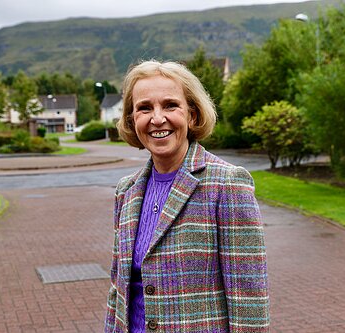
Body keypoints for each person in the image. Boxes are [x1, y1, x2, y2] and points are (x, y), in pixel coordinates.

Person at [104, 60, 269, 333]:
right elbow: (118, 289)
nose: (157, 118)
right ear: (133, 120)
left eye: (170, 105)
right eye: (145, 108)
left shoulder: (227, 183)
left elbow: (249, 296)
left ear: (192, 115)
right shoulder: (126, 190)